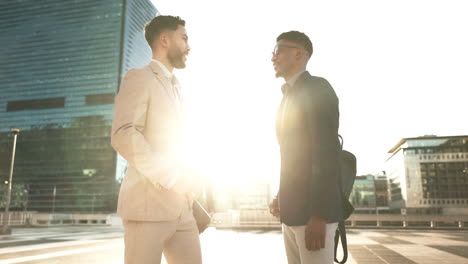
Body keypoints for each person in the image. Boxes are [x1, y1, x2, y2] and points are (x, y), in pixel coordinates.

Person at [111, 15, 202, 264]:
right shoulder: (139, 77)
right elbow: (123, 133)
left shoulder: (177, 88)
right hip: (147, 208)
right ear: (164, 39)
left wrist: (191, 185)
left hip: (182, 208)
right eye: (184, 38)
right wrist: (172, 177)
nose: (189, 46)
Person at [268, 31, 345, 263]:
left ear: (299, 53)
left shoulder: (317, 88)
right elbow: (294, 156)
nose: (273, 57)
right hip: (292, 213)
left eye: (278, 50)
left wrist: (319, 215)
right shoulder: (287, 97)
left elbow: (327, 153)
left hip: (313, 215)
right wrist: (281, 195)